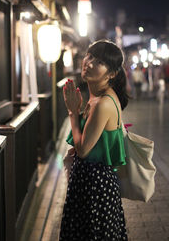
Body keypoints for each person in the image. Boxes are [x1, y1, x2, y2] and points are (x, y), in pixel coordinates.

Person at [59, 40, 129, 241]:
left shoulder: (104, 103)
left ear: (112, 73)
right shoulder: (97, 96)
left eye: (98, 61)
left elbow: (83, 150)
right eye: (89, 56)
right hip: (90, 183)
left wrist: (73, 112)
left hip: (95, 187)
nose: (88, 62)